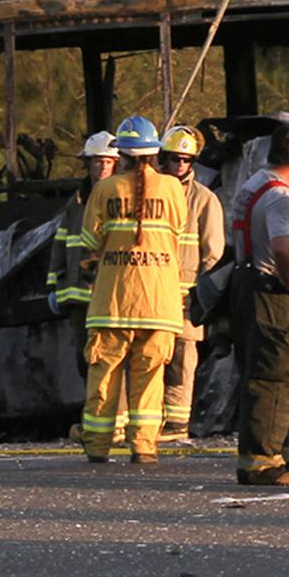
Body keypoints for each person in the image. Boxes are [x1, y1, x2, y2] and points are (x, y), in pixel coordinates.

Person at [78, 115, 186, 464]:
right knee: (150, 379)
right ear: (155, 152)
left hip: (112, 302)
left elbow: (90, 241)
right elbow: (180, 233)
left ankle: (97, 446)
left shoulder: (104, 190)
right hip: (160, 304)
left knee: (104, 378)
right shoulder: (173, 188)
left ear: (121, 154)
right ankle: (144, 447)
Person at [231, 121, 289, 486]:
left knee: (255, 375)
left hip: (245, 285)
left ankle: (268, 454)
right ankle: (265, 463)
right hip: (271, 293)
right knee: (276, 377)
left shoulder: (252, 184)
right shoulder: (282, 196)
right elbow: (282, 246)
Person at [48, 131, 127, 443]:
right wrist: (54, 284)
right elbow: (60, 243)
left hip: (108, 293)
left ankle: (115, 423)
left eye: (108, 161)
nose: (102, 167)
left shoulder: (120, 197)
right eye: (97, 161)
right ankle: (97, 419)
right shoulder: (77, 201)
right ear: (88, 164)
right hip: (78, 297)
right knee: (86, 361)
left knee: (111, 358)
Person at [157, 125, 225, 442]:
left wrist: (203, 295)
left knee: (182, 360)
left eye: (186, 160)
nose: (180, 165)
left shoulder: (204, 200)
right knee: (151, 358)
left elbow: (212, 254)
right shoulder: (151, 192)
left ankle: (177, 422)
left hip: (185, 295)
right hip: (153, 292)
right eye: (174, 159)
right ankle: (150, 420)